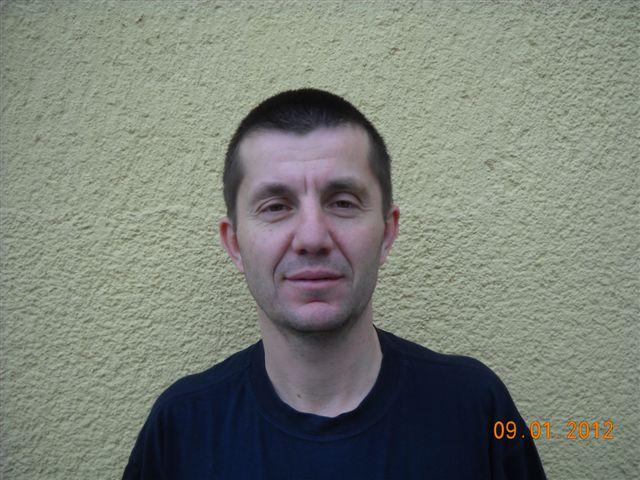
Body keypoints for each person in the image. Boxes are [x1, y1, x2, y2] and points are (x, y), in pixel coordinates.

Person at [123, 88, 547, 479]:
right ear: (235, 244)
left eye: (343, 202)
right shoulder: (179, 429)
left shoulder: (477, 409)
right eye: (276, 207)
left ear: (387, 233)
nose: (312, 238)